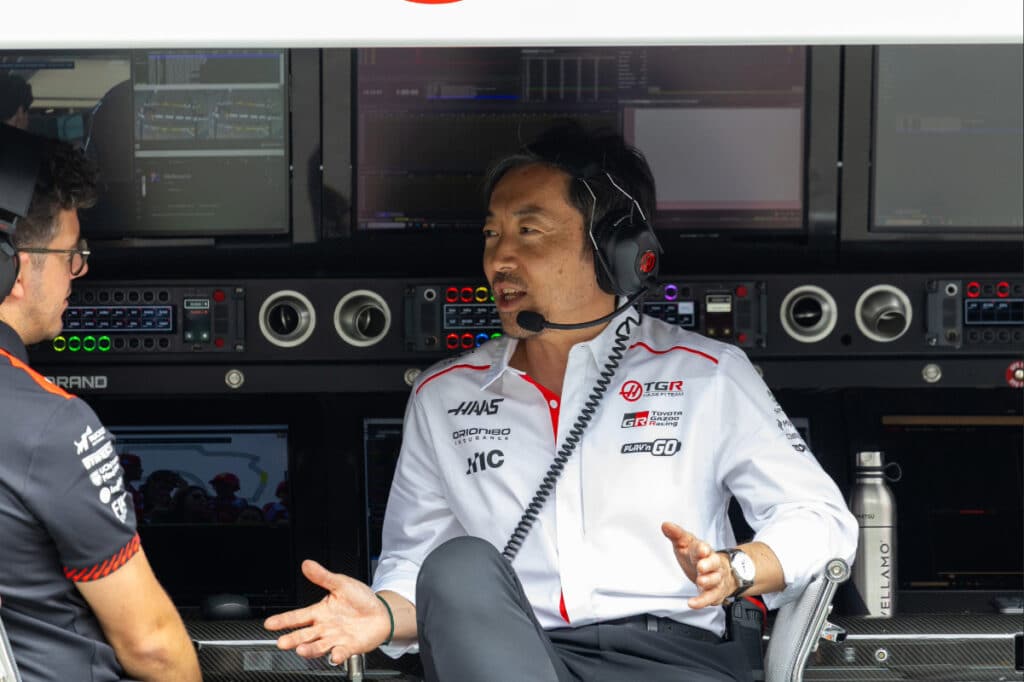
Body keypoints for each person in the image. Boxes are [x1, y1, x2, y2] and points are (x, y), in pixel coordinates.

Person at [265, 122, 857, 681]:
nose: (499, 259)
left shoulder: (708, 375)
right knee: (456, 565)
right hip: (510, 659)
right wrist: (384, 614)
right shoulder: (443, 396)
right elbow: (416, 566)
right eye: (492, 234)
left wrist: (737, 568)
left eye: (529, 231)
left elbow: (821, 521)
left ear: (616, 250)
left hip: (673, 660)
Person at [0, 134, 201, 682]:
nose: (78, 271)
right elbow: (152, 648)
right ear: (11, 270)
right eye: (71, 255)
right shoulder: (51, 424)